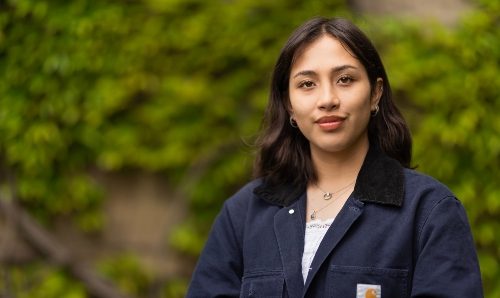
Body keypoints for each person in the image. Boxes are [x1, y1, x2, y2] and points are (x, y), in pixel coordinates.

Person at [187, 17, 483, 297]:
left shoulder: (429, 211)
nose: (327, 99)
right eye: (307, 84)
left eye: (345, 79)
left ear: (375, 93)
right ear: (289, 104)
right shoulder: (244, 214)